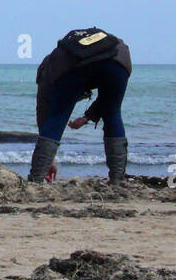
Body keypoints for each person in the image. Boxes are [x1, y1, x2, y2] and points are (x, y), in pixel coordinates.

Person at [29, 28, 132, 184]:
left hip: (75, 67)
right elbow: (107, 101)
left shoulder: (52, 67)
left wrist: (49, 159)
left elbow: (45, 112)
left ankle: (35, 180)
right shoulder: (106, 49)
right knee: (112, 113)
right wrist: (87, 118)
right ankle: (118, 180)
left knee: (58, 117)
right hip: (118, 59)